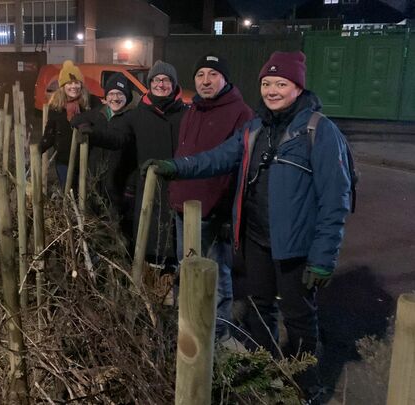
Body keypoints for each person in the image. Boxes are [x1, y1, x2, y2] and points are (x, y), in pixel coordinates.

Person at [143, 51, 352, 403]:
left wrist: (323, 257)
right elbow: (219, 157)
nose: (272, 90)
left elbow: (335, 199)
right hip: (256, 240)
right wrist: (177, 167)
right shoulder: (254, 128)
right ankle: (267, 369)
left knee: (299, 318)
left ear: (297, 87)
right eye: (267, 83)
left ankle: (305, 383)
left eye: (281, 84)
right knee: (259, 309)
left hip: (297, 247)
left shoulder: (319, 131)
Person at [168, 53, 253, 340]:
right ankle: (189, 321)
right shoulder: (194, 109)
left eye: (213, 74)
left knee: (216, 274)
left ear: (225, 78)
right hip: (184, 206)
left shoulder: (241, 113)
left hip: (214, 210)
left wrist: (230, 211)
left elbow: (239, 165)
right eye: (200, 74)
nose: (205, 81)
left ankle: (218, 332)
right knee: (187, 267)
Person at [82, 60, 188, 267]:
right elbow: (118, 138)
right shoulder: (138, 114)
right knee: (148, 240)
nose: (160, 84)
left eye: (166, 80)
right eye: (156, 80)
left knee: (176, 243)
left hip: (178, 187)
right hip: (148, 187)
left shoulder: (185, 114)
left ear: (174, 84)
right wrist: (93, 134)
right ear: (149, 84)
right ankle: (150, 285)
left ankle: (174, 284)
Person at [70, 72, 139, 241]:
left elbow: (118, 139)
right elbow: (76, 119)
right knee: (92, 225)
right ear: (106, 97)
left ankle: (118, 260)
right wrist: (83, 124)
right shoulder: (100, 113)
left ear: (127, 97)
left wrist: (93, 133)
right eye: (111, 94)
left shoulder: (130, 118)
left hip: (117, 185)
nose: (115, 98)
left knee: (115, 228)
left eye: (120, 94)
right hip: (94, 181)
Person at [40, 60, 101, 189]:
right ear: (63, 86)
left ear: (81, 84)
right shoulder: (56, 107)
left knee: (88, 193)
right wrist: (39, 149)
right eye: (69, 83)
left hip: (88, 159)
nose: (73, 86)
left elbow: (102, 122)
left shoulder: (92, 101)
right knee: (68, 192)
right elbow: (50, 133)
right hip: (64, 160)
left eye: (76, 82)